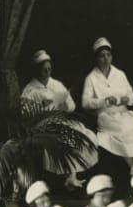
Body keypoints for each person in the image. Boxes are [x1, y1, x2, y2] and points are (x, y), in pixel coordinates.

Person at [21, 49, 99, 188]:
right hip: (43, 125)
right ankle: (69, 177)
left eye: (49, 69)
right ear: (37, 70)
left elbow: (72, 106)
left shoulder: (57, 84)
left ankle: (72, 176)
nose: (47, 72)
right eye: (44, 69)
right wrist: (41, 107)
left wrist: (65, 106)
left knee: (84, 136)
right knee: (66, 139)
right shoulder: (30, 90)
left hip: (62, 120)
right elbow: (26, 115)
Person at [81, 37, 133, 174]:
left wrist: (126, 99)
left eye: (108, 55)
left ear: (112, 56)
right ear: (97, 58)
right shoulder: (91, 78)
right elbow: (85, 103)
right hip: (105, 116)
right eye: (102, 56)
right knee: (124, 129)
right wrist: (104, 101)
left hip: (123, 112)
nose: (106, 59)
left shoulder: (120, 74)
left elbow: (132, 95)